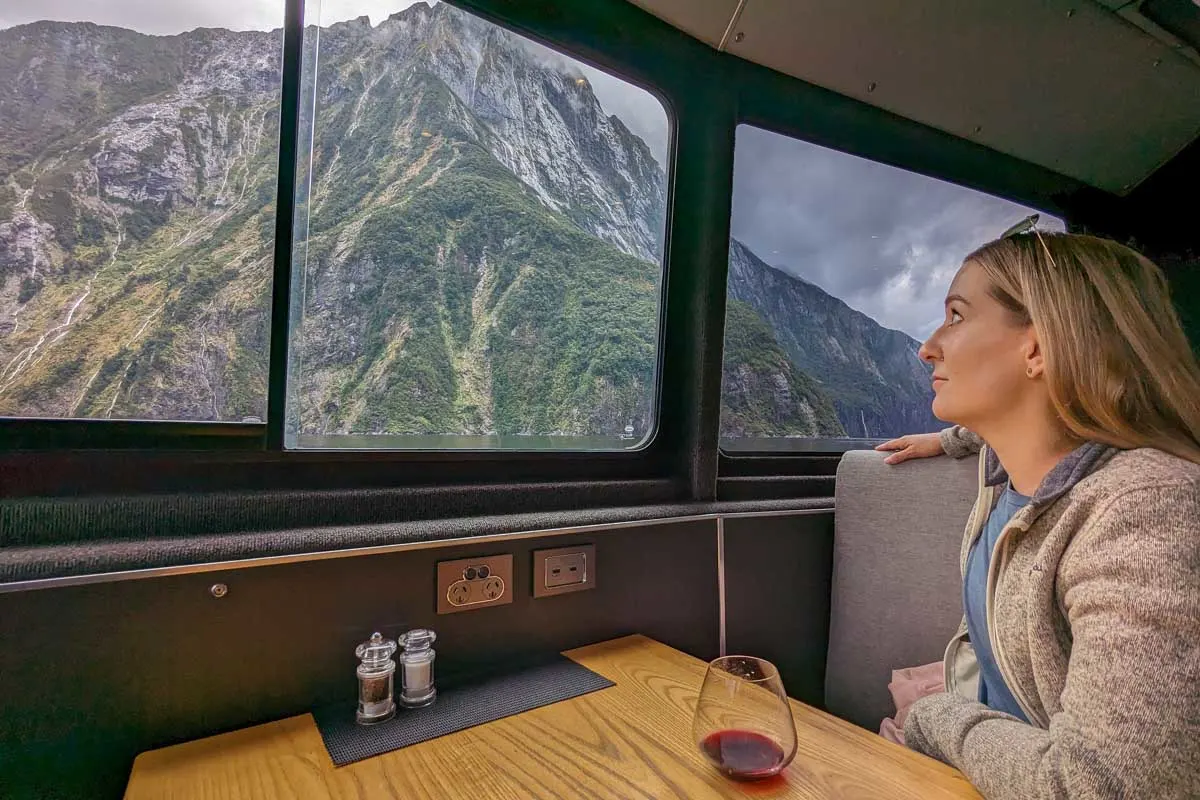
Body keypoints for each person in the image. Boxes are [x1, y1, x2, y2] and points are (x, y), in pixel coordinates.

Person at [874, 231, 1200, 799]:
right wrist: (948, 439)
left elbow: (1097, 788)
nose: (928, 346)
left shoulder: (1148, 509)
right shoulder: (1008, 480)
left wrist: (935, 717)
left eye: (955, 315)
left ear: (1038, 348)